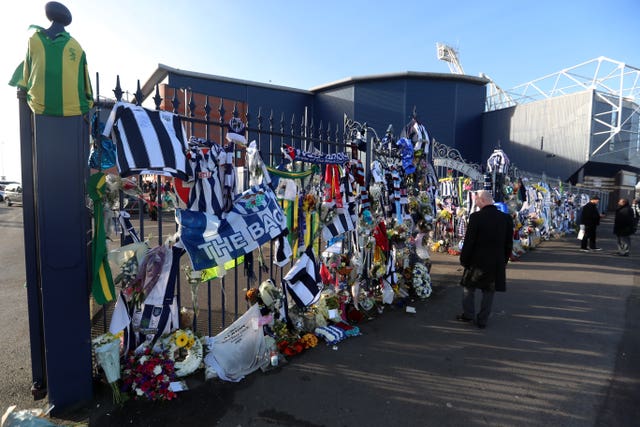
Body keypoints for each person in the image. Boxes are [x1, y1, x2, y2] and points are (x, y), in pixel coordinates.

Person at [457, 190, 513, 329]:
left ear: (482, 200)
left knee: (469, 287)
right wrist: (504, 260)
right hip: (496, 261)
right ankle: (482, 320)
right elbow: (508, 243)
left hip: (476, 260)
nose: (475, 202)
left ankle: (468, 314)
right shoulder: (506, 218)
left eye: (476, 200)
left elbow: (469, 241)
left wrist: (464, 259)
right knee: (489, 291)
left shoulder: (476, 217)